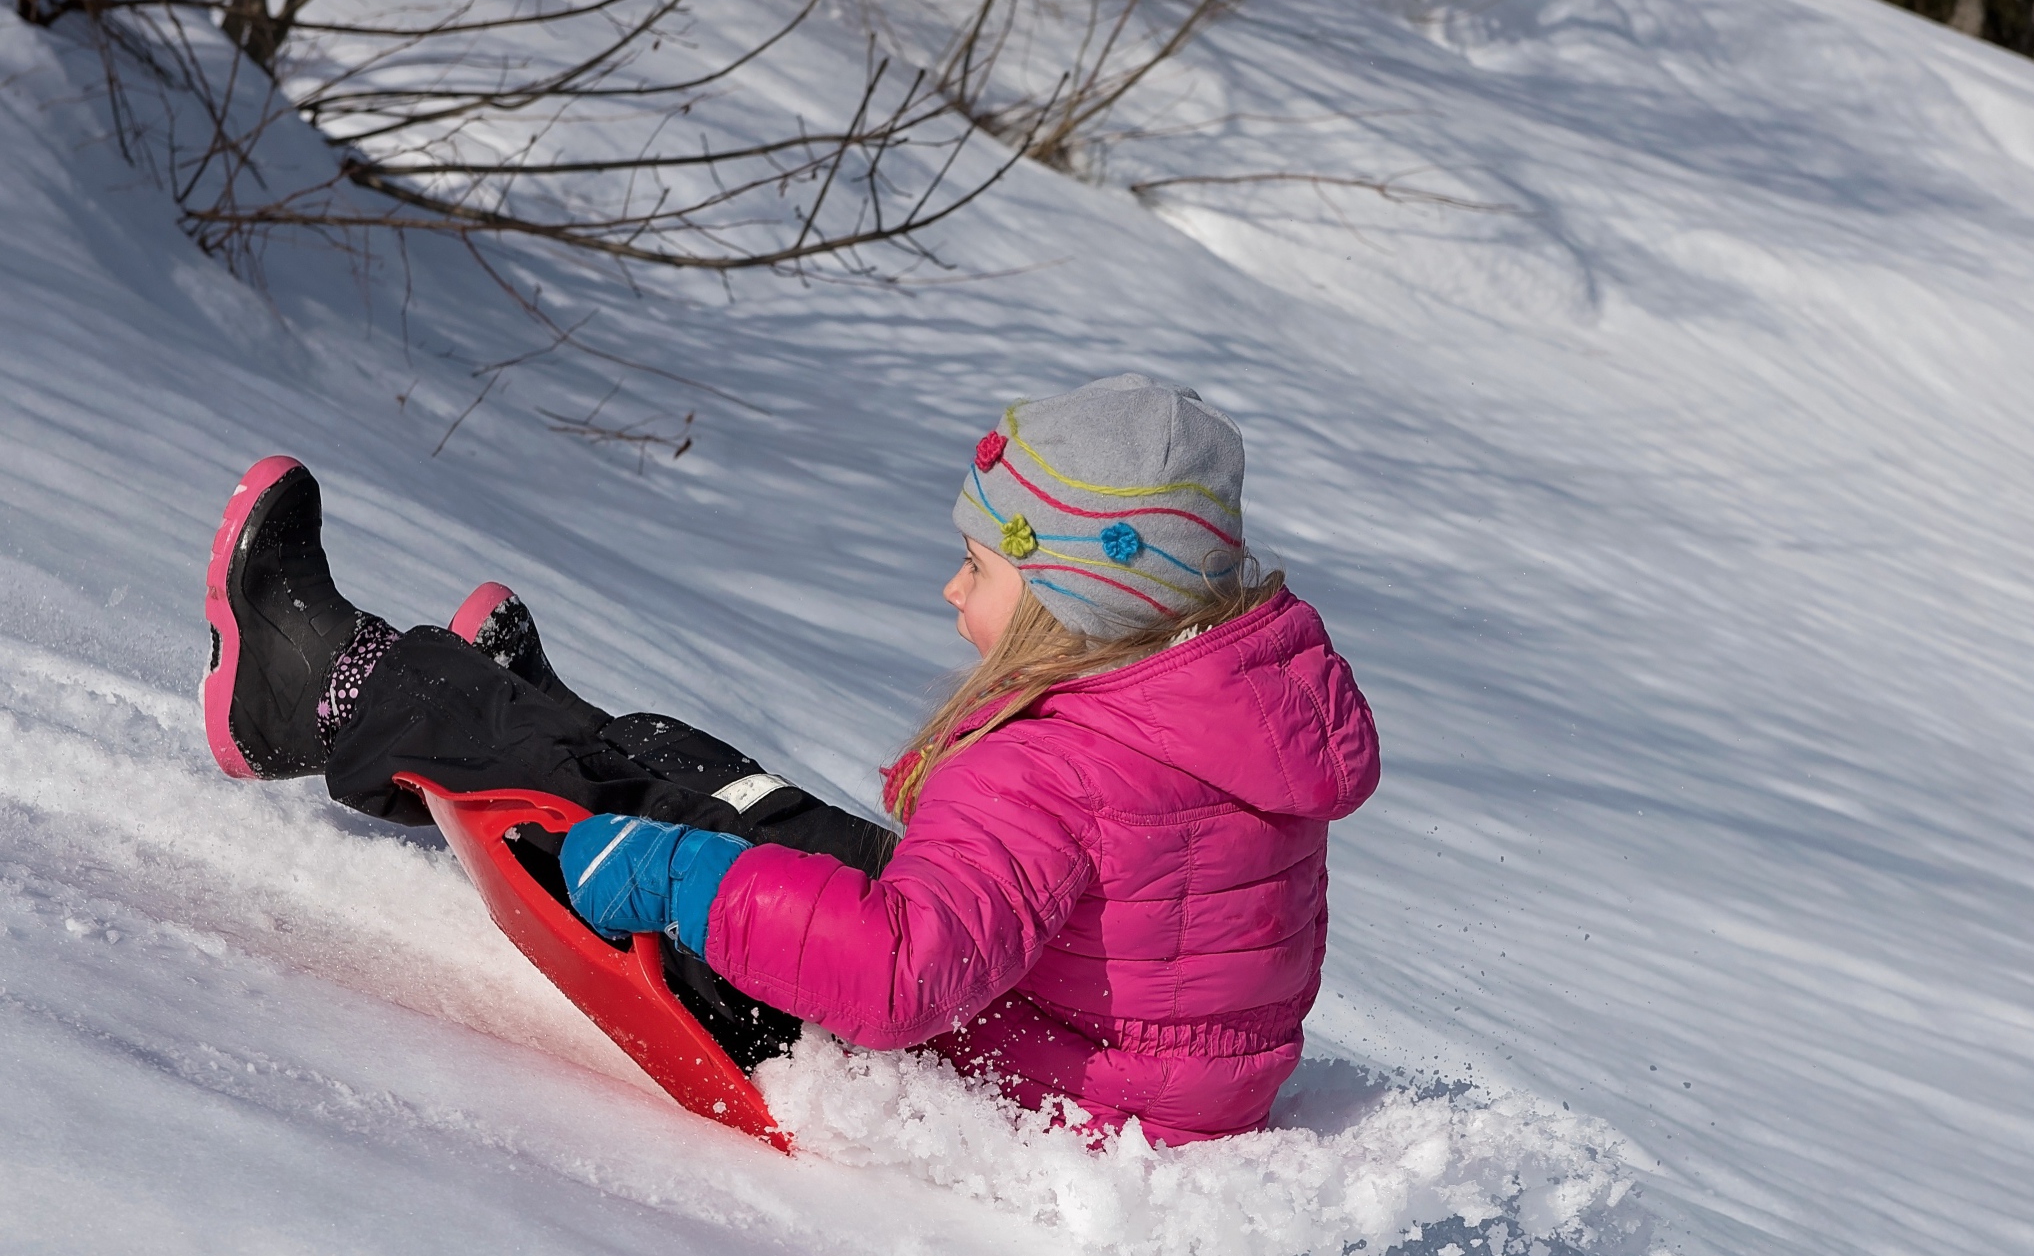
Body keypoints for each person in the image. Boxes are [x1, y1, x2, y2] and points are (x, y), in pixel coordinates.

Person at [202, 374, 1381, 1144]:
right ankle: (558, 725)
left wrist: (684, 883)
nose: (950, 589)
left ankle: (322, 690)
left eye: (979, 570)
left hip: (975, 1086)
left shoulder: (1049, 770)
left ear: (1072, 603)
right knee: (704, 776)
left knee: (672, 833)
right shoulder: (1219, 714)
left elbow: (892, 976)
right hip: (1063, 1054)